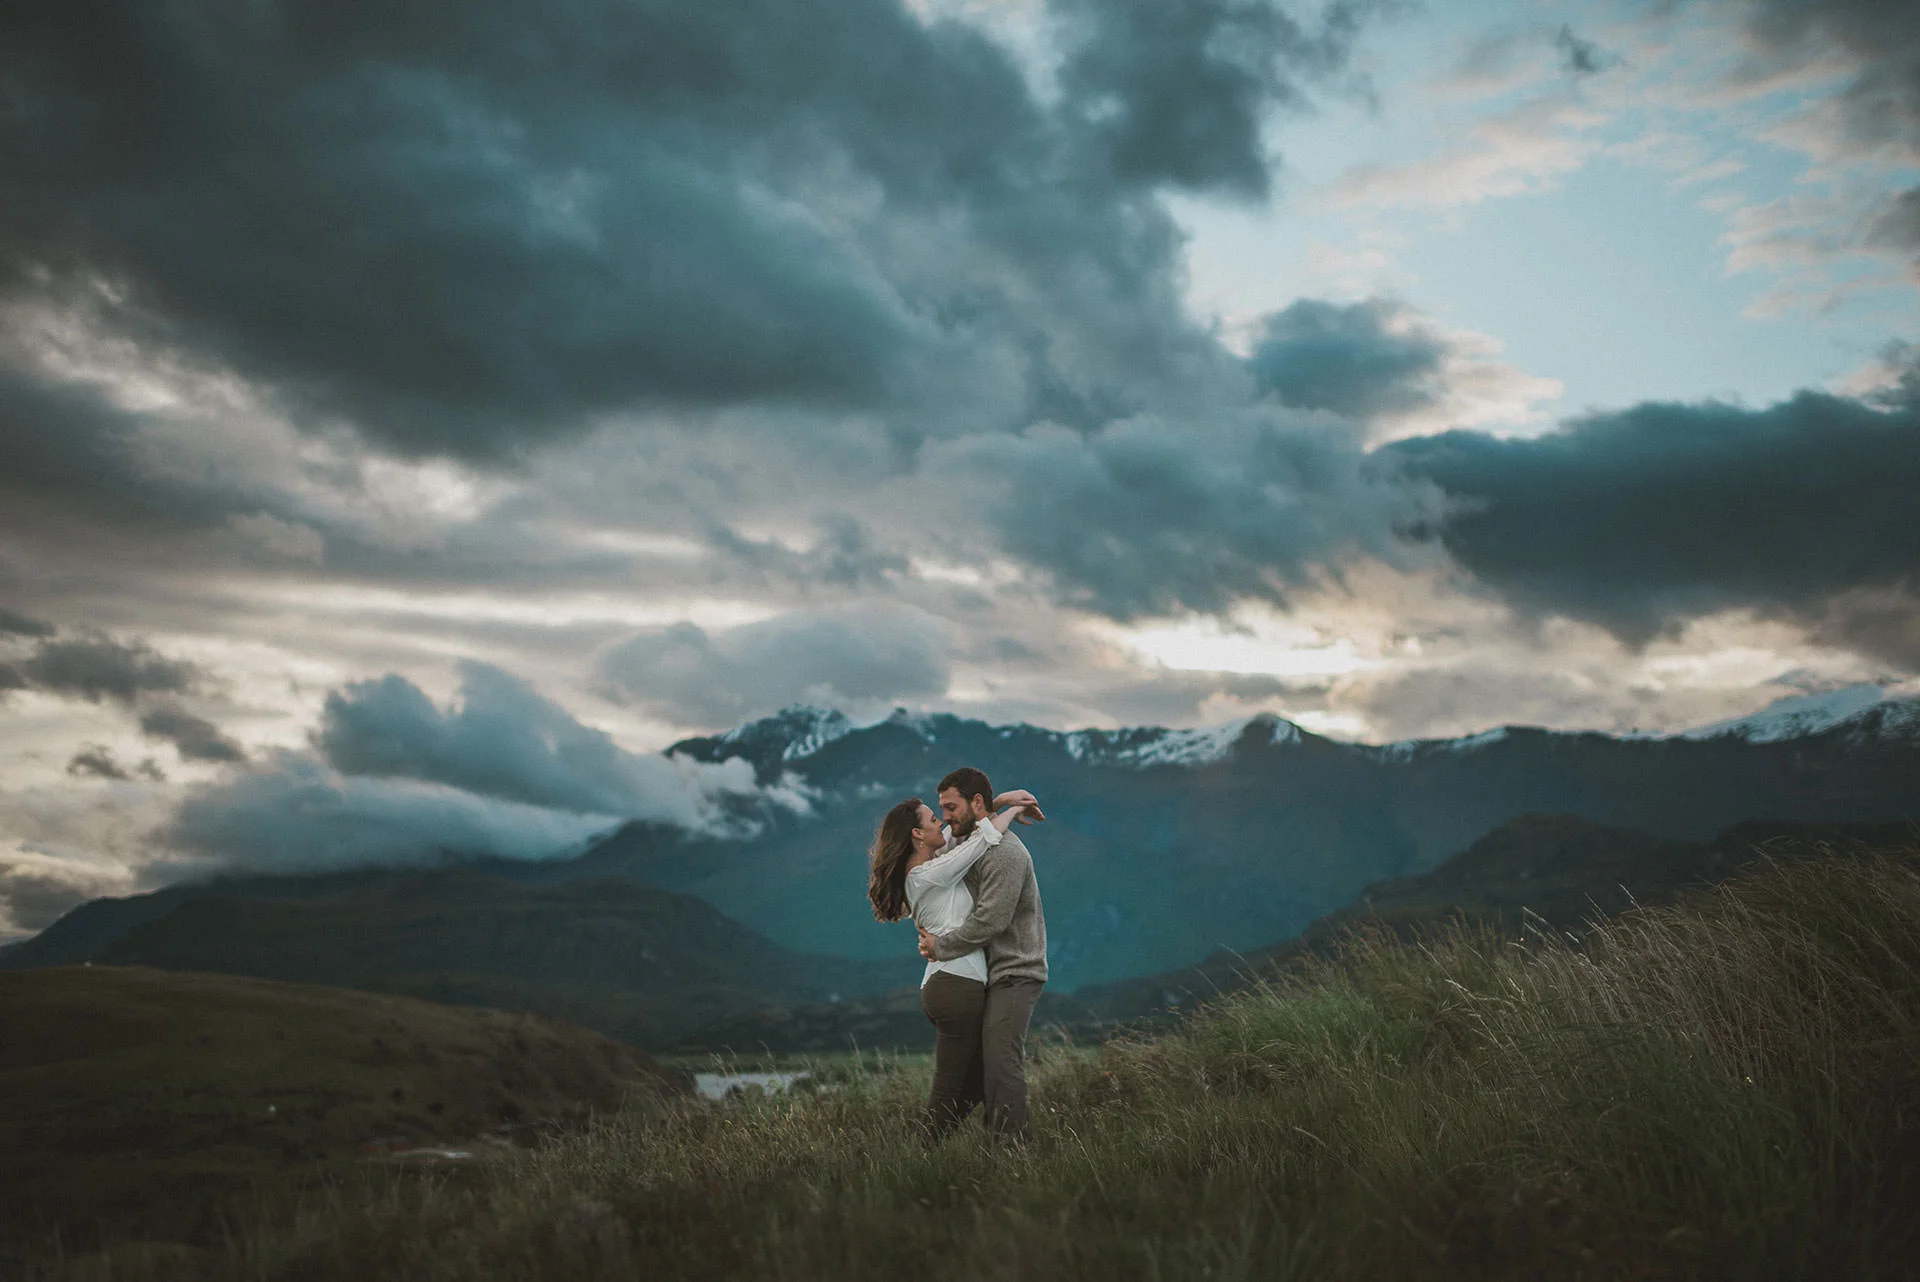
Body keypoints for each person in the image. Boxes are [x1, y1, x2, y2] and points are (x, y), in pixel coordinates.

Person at [868, 783, 1043, 1143]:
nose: (942, 821)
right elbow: (981, 840)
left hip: (951, 985)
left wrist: (997, 802)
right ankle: (923, 1153)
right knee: (949, 1088)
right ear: (918, 833)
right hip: (955, 987)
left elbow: (962, 828)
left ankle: (935, 1144)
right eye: (934, 818)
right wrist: (1009, 811)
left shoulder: (932, 864)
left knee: (982, 1077)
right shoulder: (929, 873)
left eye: (944, 812)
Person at [917, 766, 1048, 1144]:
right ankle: (933, 1141)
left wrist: (941, 947)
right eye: (941, 808)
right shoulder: (965, 838)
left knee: (1001, 1062)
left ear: (974, 803)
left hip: (1016, 971)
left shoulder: (1005, 852)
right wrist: (1002, 802)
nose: (945, 818)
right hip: (987, 972)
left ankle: (1011, 1152)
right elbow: (938, 837)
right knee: (975, 1068)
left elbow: (989, 920)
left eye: (950, 807)